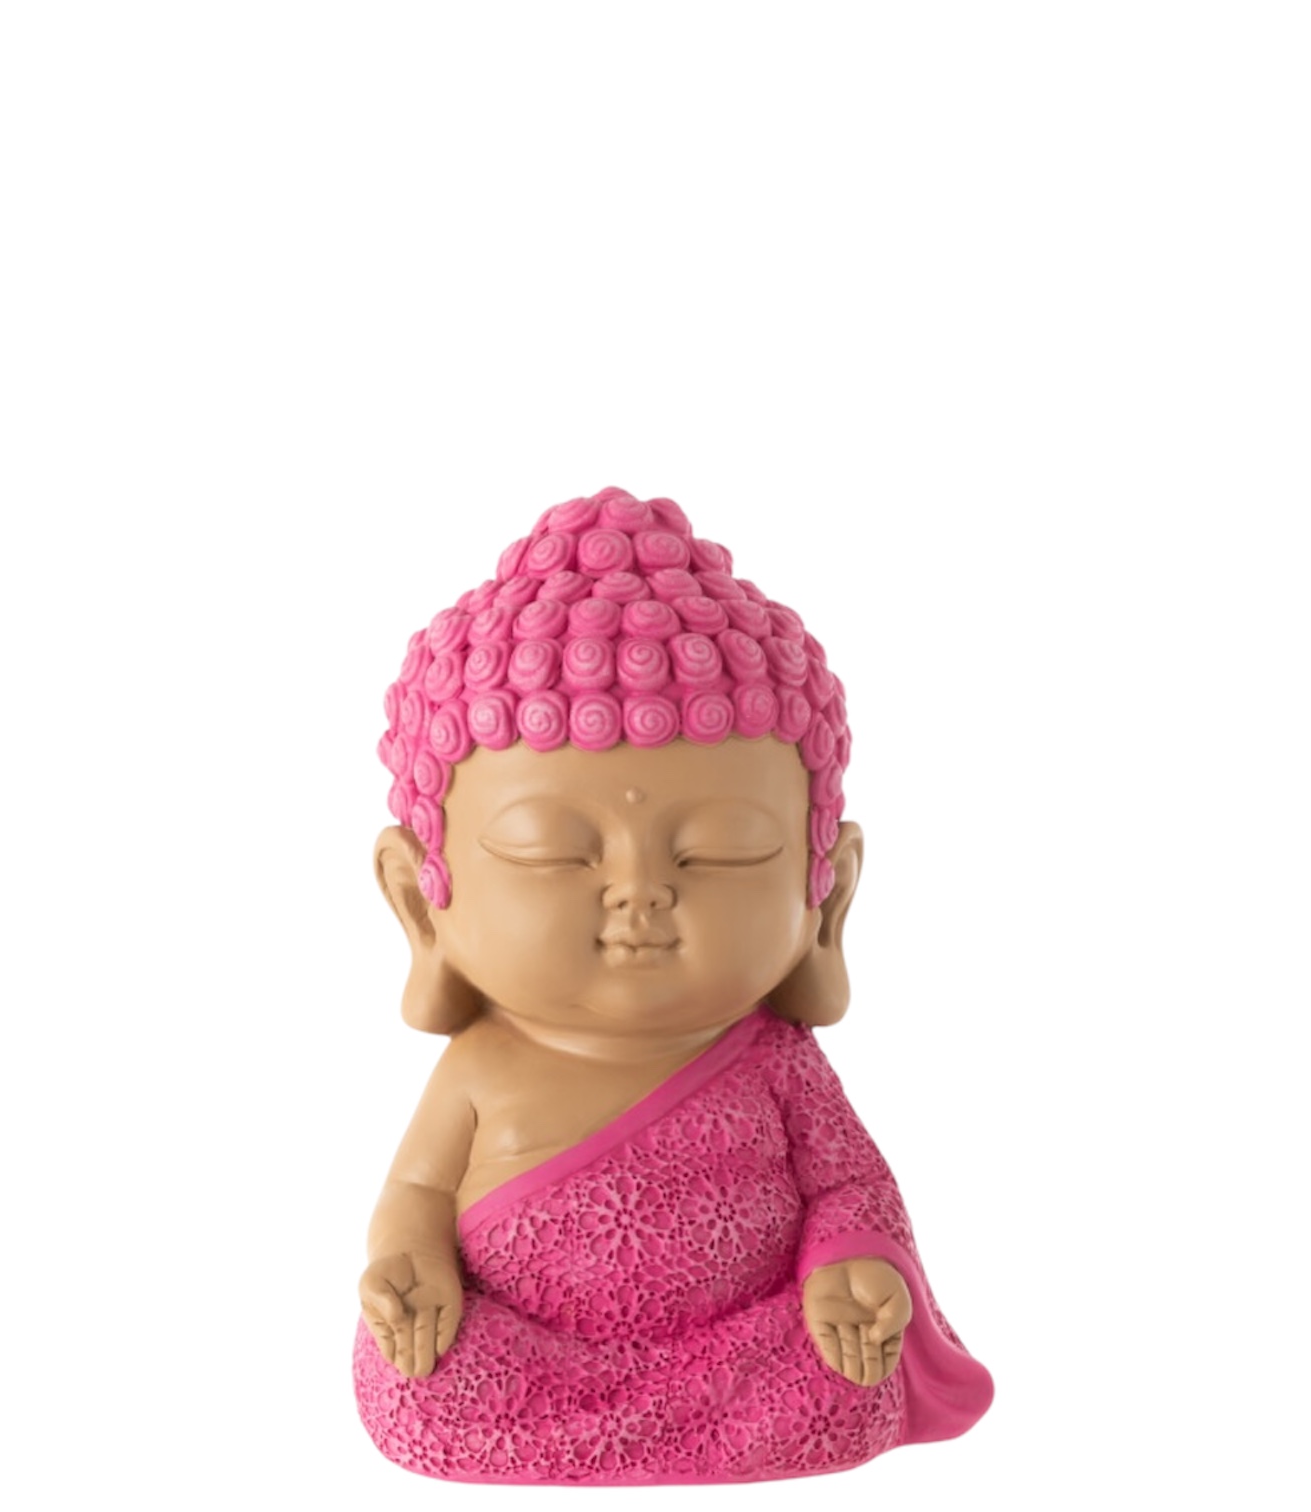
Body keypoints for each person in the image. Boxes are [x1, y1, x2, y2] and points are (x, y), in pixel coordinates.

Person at [354, 487, 992, 1484]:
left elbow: (848, 1189)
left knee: (840, 1373)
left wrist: (849, 1271)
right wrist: (411, 1267)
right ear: (420, 902)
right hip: (529, 1362)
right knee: (423, 1382)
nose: (639, 894)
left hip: (745, 1354)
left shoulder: (779, 1063)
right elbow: (419, 1193)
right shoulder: (481, 1065)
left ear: (824, 898)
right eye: (553, 853)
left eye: (720, 853)